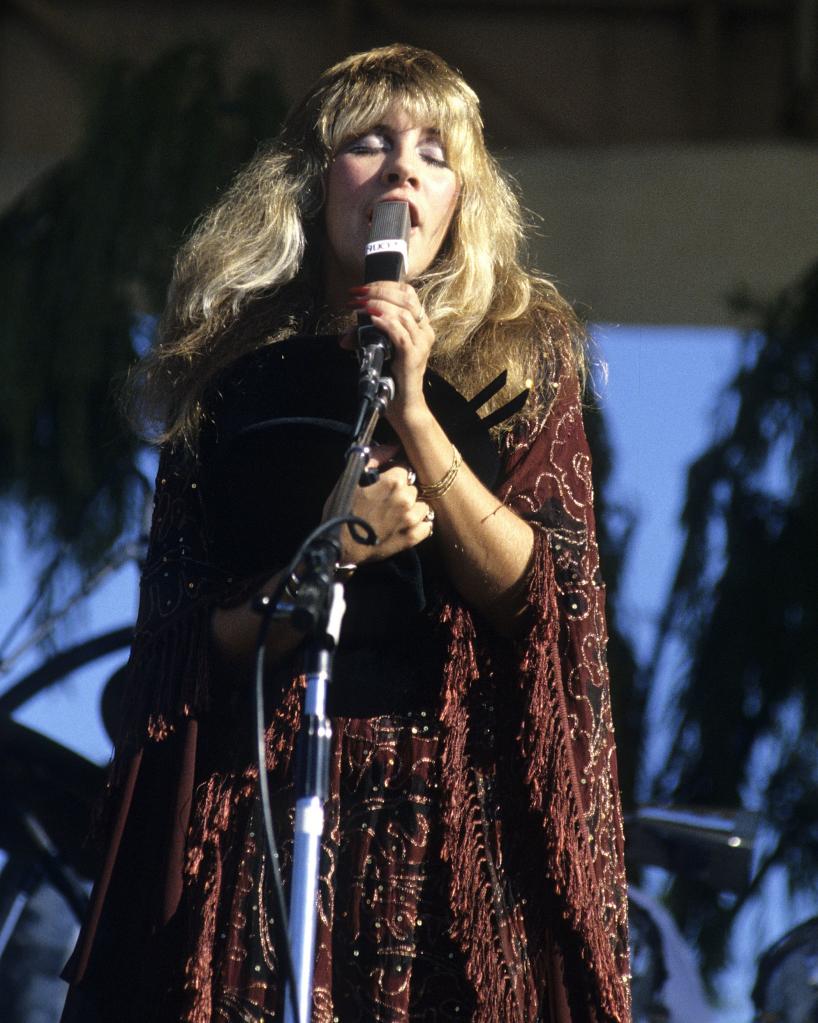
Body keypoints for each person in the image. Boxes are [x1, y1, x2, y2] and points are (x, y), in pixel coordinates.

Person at [61, 44, 631, 1023]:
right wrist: (331, 551)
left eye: (433, 152)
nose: (404, 169)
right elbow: (180, 645)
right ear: (315, 182)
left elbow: (546, 595)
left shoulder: (525, 350)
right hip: (269, 811)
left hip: (453, 821)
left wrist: (411, 407)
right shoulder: (230, 377)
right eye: (369, 143)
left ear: (462, 197)